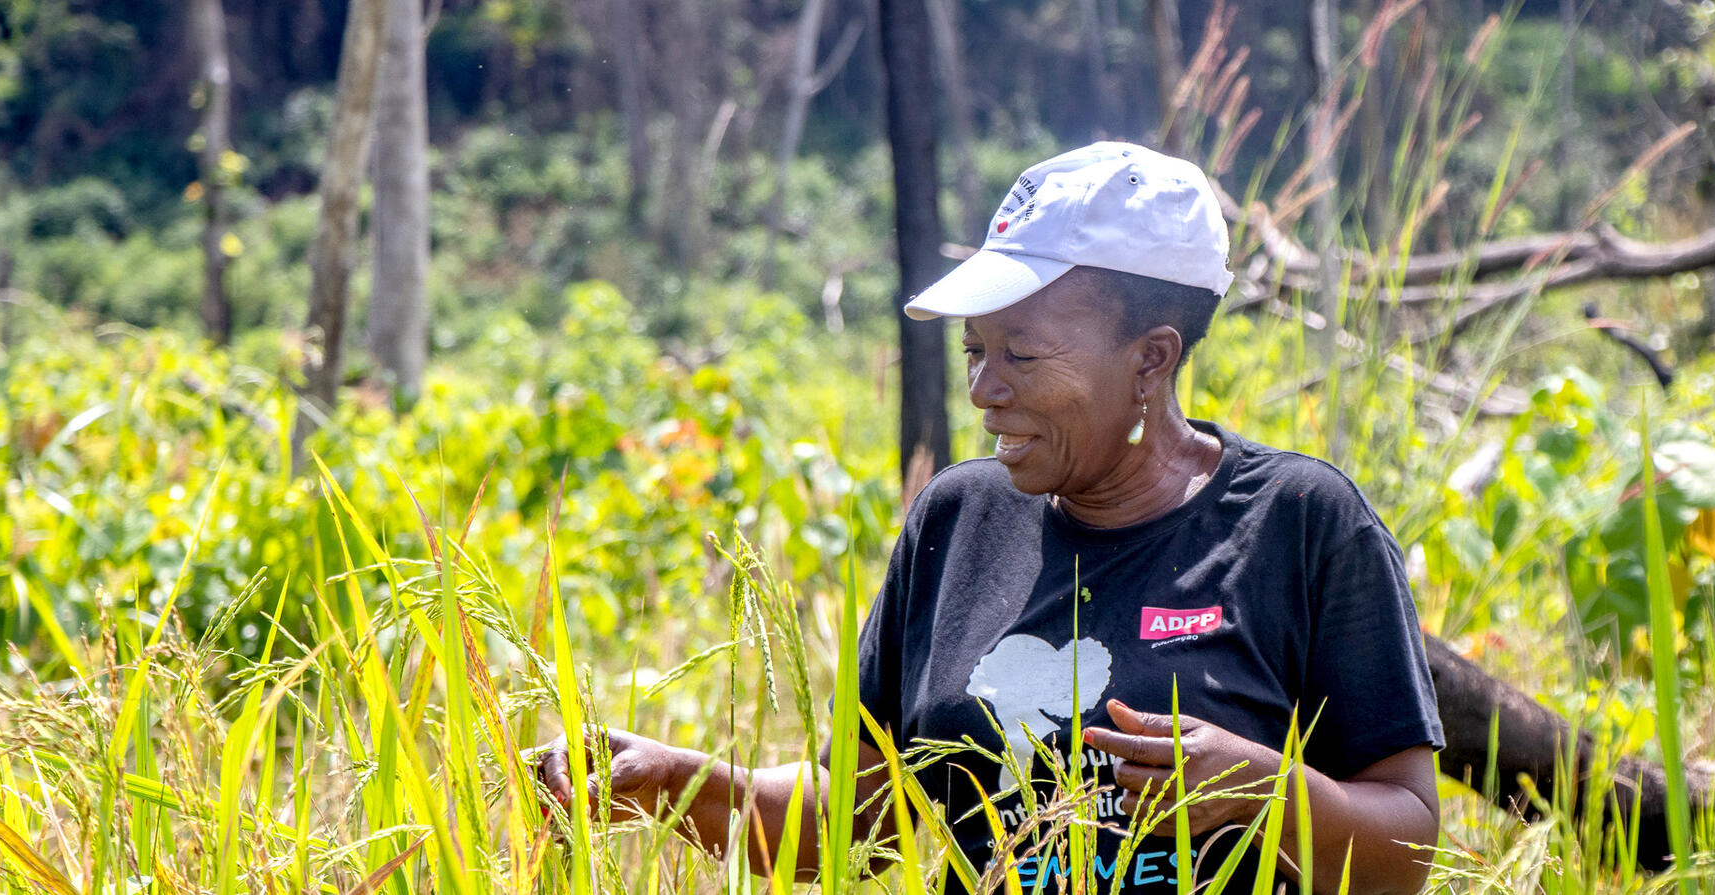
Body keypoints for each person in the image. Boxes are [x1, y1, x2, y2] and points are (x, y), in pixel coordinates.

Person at [535, 142, 1445, 895]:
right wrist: (676, 780)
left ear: (1150, 359)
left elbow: (1407, 848)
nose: (983, 389)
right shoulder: (957, 520)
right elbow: (856, 819)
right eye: (975, 349)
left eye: (1023, 354)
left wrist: (1264, 789)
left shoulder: (1299, 524)